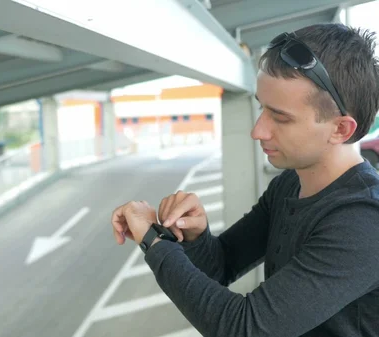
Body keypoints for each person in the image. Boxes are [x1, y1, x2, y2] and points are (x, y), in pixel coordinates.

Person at [111, 23, 379, 337]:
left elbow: (244, 328)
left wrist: (153, 243)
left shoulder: (363, 222)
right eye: (262, 108)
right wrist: (197, 236)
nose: (258, 131)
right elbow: (221, 266)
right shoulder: (290, 183)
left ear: (341, 129)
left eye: (280, 117)